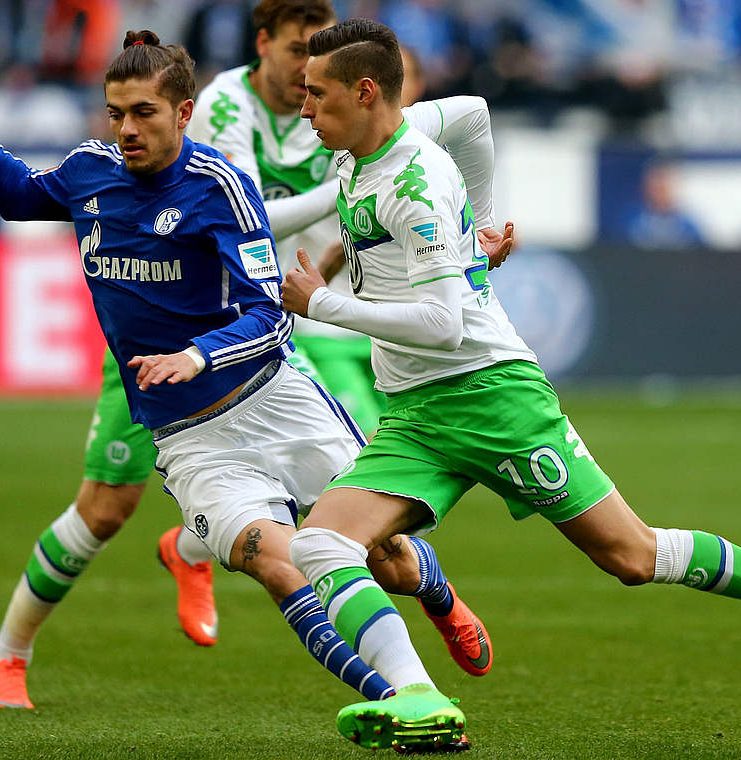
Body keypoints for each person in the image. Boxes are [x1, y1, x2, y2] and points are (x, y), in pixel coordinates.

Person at [282, 19, 741, 752]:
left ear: (365, 91)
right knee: (320, 546)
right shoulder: (364, 147)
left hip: (492, 397)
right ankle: (418, 697)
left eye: (316, 93)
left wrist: (323, 305)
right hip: (416, 412)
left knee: (632, 557)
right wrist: (478, 231)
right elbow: (473, 115)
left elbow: (441, 324)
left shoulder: (415, 181)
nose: (303, 107)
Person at [0, 33, 472, 714]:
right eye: (116, 114)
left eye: (144, 113)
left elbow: (272, 317)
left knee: (387, 559)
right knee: (282, 563)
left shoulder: (219, 185)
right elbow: (17, 196)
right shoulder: (88, 173)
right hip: (189, 436)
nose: (127, 129)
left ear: (184, 112)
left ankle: (436, 591)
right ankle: (403, 699)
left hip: (273, 402)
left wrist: (196, 355)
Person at [185, 0, 508, 684]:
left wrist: (475, 231)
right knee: (120, 504)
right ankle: (403, 692)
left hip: (323, 327)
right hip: (237, 341)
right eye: (300, 54)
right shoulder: (222, 113)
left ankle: (435, 594)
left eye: (318, 64)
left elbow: (471, 118)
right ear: (262, 44)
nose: (308, 80)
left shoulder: (376, 142)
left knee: (367, 528)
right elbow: (248, 217)